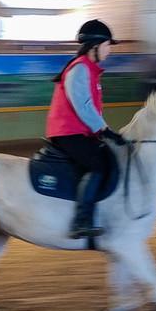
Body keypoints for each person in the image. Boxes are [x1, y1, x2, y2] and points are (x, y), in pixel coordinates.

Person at [46, 19, 126, 239]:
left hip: (78, 132)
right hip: (68, 132)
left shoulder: (88, 69)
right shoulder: (80, 68)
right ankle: (81, 221)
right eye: (108, 45)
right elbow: (83, 105)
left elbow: (91, 108)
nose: (110, 50)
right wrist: (105, 130)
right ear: (94, 47)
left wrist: (104, 131)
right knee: (98, 166)